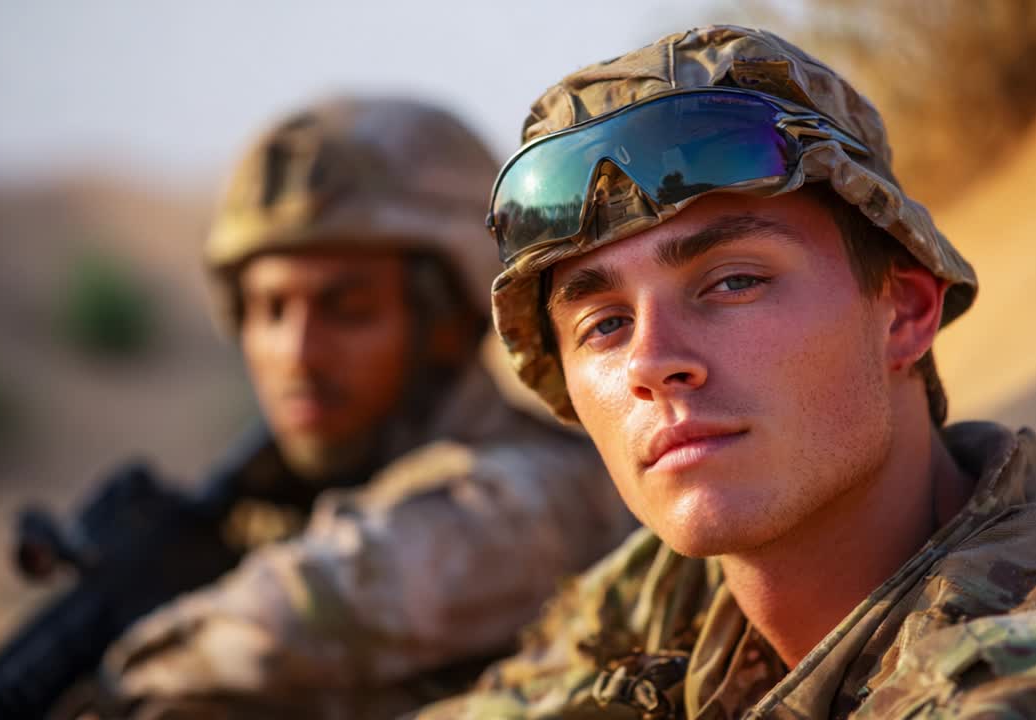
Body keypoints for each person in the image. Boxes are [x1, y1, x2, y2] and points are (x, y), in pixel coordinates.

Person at [417, 26, 1036, 719]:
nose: (650, 363)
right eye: (605, 326)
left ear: (903, 312)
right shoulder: (665, 589)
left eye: (733, 282)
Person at [96, 97, 636, 719]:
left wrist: (120, 674)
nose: (297, 354)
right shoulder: (272, 506)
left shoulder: (535, 493)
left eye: (347, 309)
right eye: (269, 310)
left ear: (446, 323)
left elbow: (292, 623)